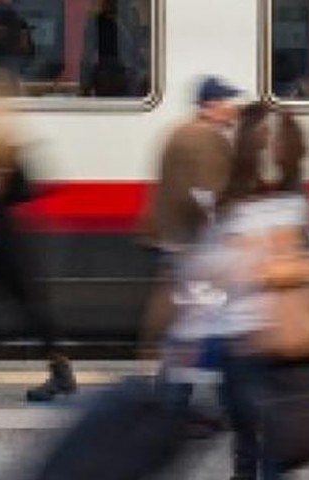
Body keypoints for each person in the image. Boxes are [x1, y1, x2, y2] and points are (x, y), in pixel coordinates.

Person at [170, 103, 309, 479]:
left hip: (246, 337)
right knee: (268, 442)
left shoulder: (231, 205)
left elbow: (207, 272)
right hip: (273, 338)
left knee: (250, 442)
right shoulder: (291, 204)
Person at [0, 68, 76, 401]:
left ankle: (60, 373)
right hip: (13, 237)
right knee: (30, 310)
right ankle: (60, 372)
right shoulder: (5, 140)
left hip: (12, 241)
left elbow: (8, 193)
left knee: (28, 309)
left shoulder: (2, 143)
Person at [138, 77, 239, 356]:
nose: (234, 110)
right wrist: (224, 233)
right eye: (228, 103)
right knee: (197, 314)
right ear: (211, 106)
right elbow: (209, 193)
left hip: (176, 236)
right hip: (191, 239)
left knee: (182, 308)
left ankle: (169, 373)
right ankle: (176, 385)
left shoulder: (183, 131)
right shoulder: (205, 138)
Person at [79, 0, 145, 97]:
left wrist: (85, 86)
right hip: (122, 77)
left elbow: (88, 56)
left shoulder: (97, 22)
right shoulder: (130, 18)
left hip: (110, 77)